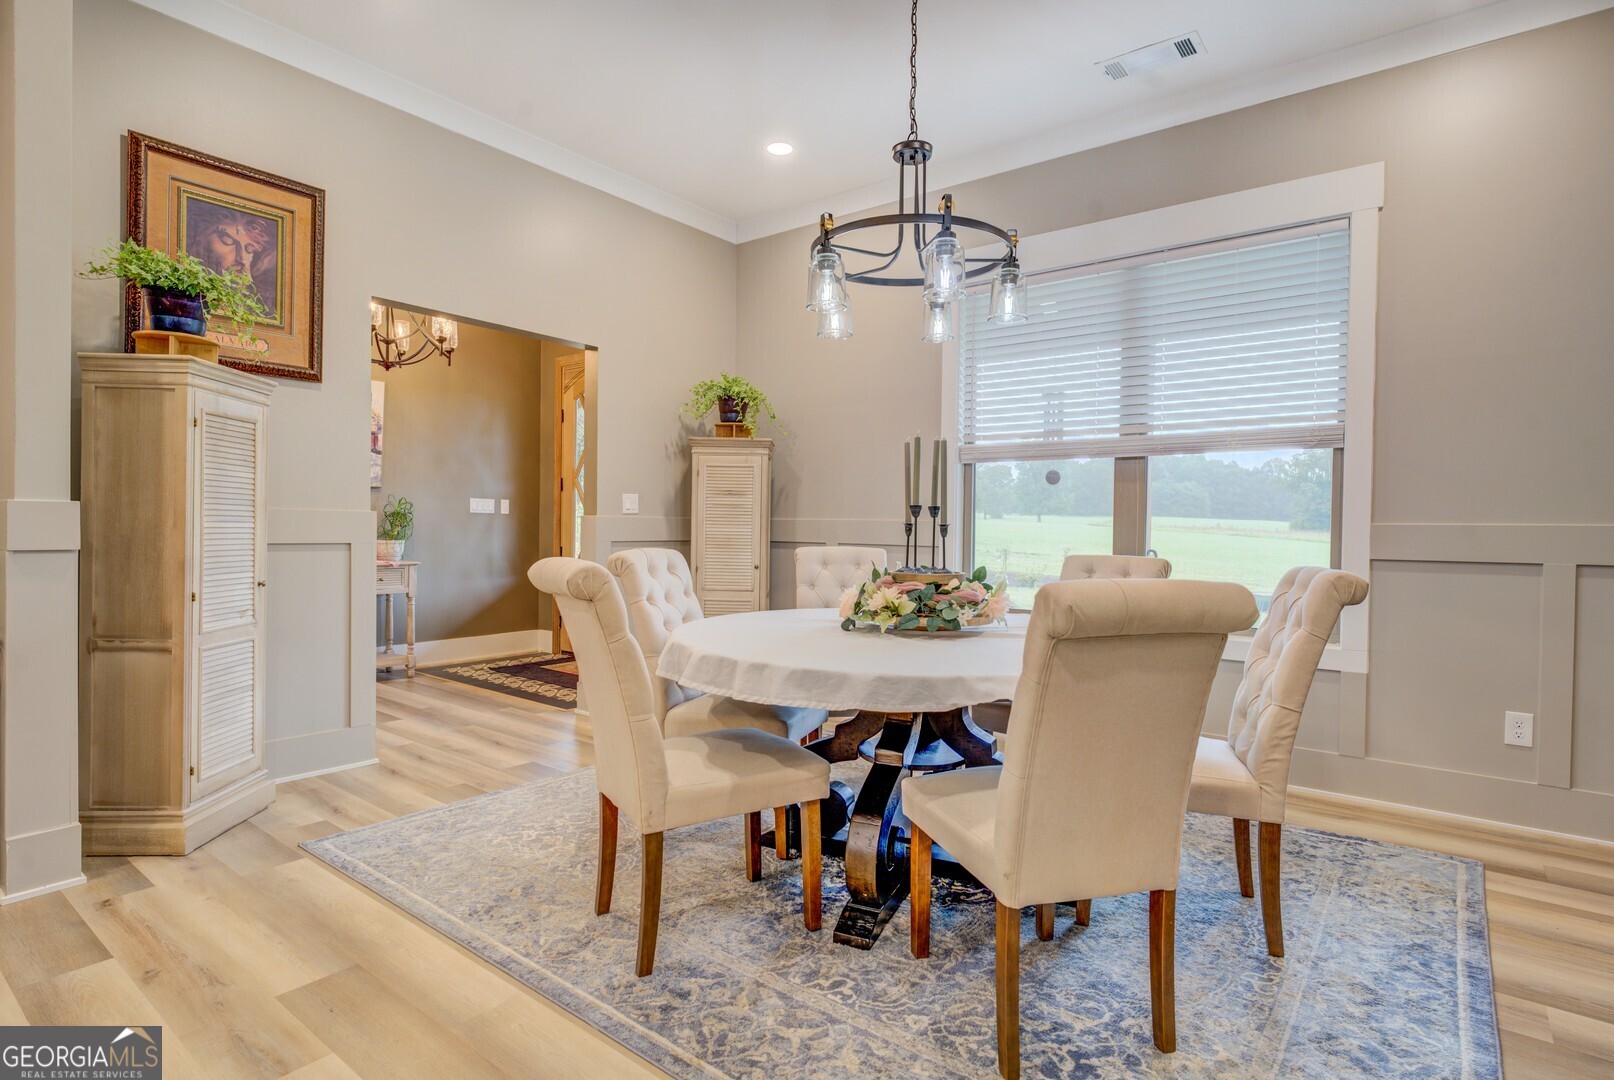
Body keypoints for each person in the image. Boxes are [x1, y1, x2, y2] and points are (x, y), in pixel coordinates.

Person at [183, 198, 280, 320]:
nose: (242, 259)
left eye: (249, 249)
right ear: (201, 237)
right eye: (229, 241)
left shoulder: (257, 305)